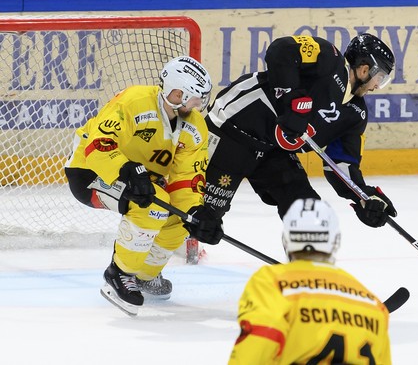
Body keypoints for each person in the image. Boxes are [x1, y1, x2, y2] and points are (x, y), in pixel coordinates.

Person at [194, 33, 397, 246]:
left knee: (309, 214)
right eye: (380, 77)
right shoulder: (328, 57)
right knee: (201, 218)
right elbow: (281, 49)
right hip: (233, 131)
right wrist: (293, 99)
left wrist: (363, 196)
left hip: (273, 153)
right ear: (365, 69)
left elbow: (342, 164)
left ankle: (304, 274)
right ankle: (157, 267)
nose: (377, 86)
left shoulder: (356, 114)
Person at [64, 56, 223, 316]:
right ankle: (119, 274)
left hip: (143, 180)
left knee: (181, 219)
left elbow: (186, 177)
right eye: (196, 98)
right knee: (152, 207)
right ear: (178, 92)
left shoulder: (195, 127)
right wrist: (126, 171)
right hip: (90, 171)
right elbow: (98, 145)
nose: (199, 105)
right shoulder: (134, 101)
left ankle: (144, 276)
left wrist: (196, 211)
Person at [228, 198, 392, 364]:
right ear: (336, 241)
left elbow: (252, 353)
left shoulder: (271, 282)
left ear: (286, 239)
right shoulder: (374, 306)